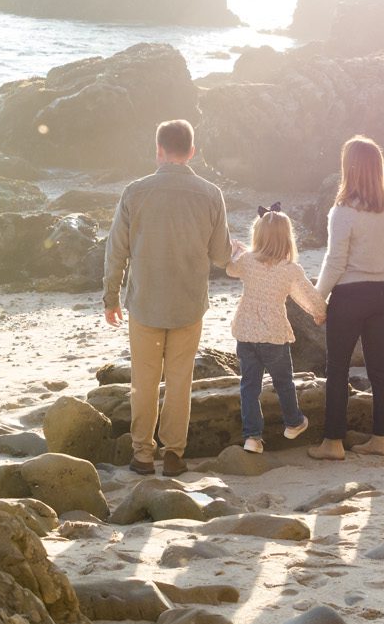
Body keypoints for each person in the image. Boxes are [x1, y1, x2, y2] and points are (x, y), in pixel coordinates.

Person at [102, 118, 229, 475]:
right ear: (192, 151)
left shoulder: (134, 192)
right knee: (179, 381)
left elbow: (116, 251)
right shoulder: (211, 194)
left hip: (145, 301)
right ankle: (174, 453)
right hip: (188, 302)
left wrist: (111, 297)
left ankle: (143, 454)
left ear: (158, 150)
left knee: (143, 381)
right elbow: (221, 256)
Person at [309, 135, 384, 460]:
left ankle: (333, 443)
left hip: (350, 296)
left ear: (349, 168)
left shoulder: (343, 211)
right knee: (378, 367)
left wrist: (317, 299)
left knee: (338, 369)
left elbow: (335, 262)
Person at [226, 205, 325, 453]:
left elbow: (230, 268)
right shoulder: (290, 269)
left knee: (249, 386)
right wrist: (320, 312)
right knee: (283, 382)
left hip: (246, 333)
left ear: (258, 235)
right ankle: (293, 423)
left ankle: (252, 437)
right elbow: (309, 295)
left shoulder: (247, 261)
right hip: (273, 335)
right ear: (287, 238)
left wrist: (237, 251)